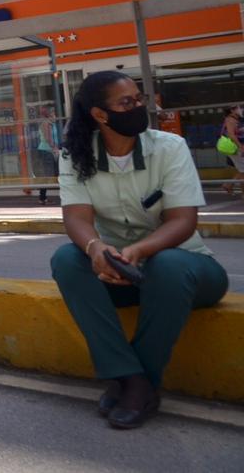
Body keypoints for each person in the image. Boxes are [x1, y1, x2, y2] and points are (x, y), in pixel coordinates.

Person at [50, 71, 228, 430]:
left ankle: (135, 384)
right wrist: (96, 248)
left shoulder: (169, 147)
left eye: (138, 99)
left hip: (190, 274)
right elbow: (76, 218)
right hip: (122, 274)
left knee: (169, 264)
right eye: (126, 102)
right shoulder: (76, 156)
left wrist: (138, 250)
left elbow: (183, 221)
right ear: (100, 114)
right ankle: (132, 379)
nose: (138, 107)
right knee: (67, 259)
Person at [33, 105, 61, 205]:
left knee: (54, 173)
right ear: (49, 115)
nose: (55, 116)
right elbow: (48, 138)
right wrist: (55, 149)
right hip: (46, 151)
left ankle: (43, 197)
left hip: (51, 151)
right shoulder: (46, 124)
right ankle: (42, 197)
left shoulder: (51, 124)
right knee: (48, 175)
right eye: (53, 114)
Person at [221, 105, 244, 196]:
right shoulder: (230, 120)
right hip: (236, 148)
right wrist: (240, 146)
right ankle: (231, 186)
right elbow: (231, 135)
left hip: (237, 147)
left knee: (242, 170)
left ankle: (228, 185)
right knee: (243, 171)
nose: (240, 109)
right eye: (237, 108)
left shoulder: (235, 120)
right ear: (232, 111)